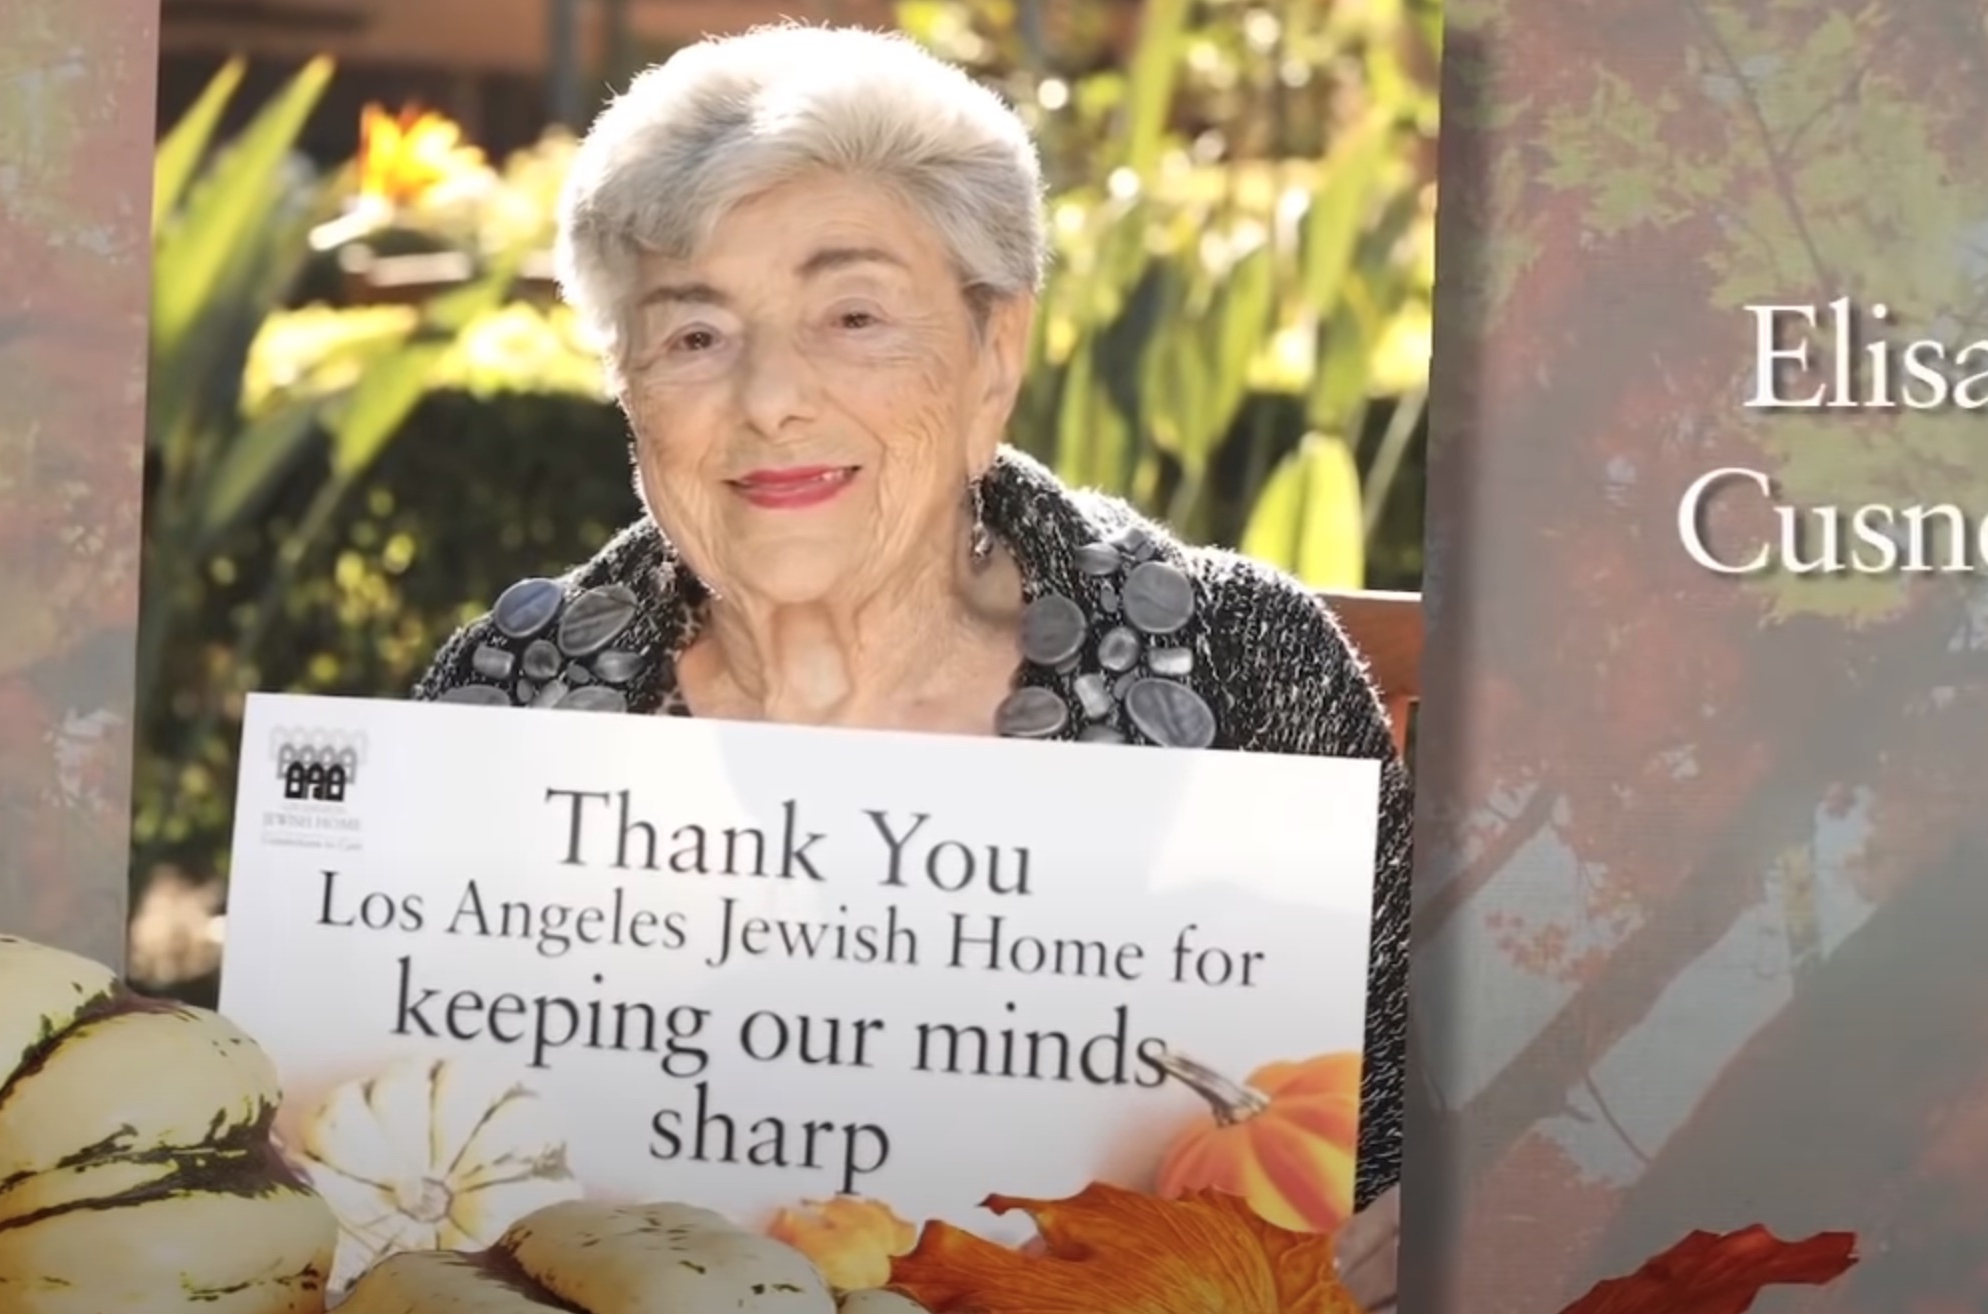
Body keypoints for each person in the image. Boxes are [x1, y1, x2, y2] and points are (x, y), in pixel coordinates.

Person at [411, 22, 1410, 1225]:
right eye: (693, 335)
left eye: (853, 317)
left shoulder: (1244, 668)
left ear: (995, 352)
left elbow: (1397, 1156)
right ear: (626, 387)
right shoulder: (504, 701)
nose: (772, 398)